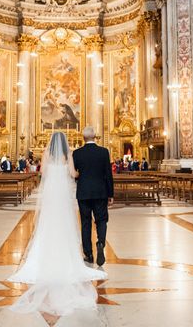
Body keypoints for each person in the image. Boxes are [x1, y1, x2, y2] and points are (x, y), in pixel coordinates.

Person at [8, 132, 106, 316]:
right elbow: (72, 173)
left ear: (51, 142)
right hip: (62, 195)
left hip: (51, 193)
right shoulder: (68, 154)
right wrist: (80, 172)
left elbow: (43, 172)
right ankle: (66, 257)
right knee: (65, 226)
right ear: (64, 142)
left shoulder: (46, 154)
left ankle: (45, 255)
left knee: (47, 225)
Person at [72, 126, 114, 267]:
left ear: (83, 138)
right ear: (95, 137)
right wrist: (110, 194)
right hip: (100, 192)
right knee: (101, 220)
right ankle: (100, 242)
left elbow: (74, 174)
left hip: (83, 192)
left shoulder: (77, 153)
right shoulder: (103, 152)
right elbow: (108, 174)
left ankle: (88, 254)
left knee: (85, 223)